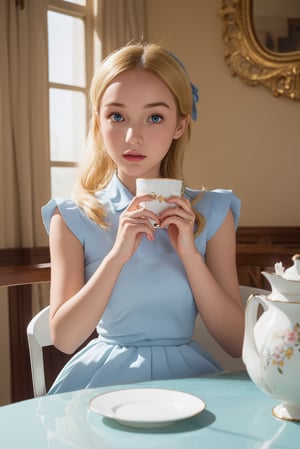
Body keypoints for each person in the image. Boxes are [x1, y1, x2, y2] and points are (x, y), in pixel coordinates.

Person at [42, 42, 244, 394]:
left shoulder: (213, 211)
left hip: (190, 385)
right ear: (98, 121)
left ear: (180, 124)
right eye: (117, 116)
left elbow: (236, 343)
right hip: (100, 385)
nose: (133, 137)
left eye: (155, 117)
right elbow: (65, 339)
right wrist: (116, 257)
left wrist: (190, 256)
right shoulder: (71, 216)